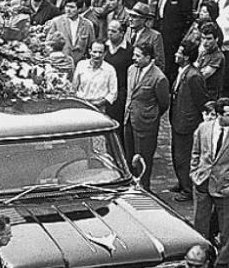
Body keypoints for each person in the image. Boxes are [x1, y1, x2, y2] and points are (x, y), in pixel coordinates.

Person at [190, 97, 229, 268]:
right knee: (200, 223)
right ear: (219, 115)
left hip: (226, 186)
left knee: (225, 226)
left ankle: (222, 260)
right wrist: (195, 173)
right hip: (203, 181)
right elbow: (196, 152)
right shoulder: (203, 129)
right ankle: (201, 258)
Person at [124, 41, 171, 190]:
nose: (134, 58)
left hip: (146, 124)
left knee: (143, 158)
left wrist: (150, 115)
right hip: (129, 119)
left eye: (138, 56)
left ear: (148, 57)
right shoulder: (131, 69)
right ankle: (130, 185)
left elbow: (163, 103)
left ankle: (144, 188)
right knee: (129, 155)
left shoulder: (159, 78)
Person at [170, 41, 209, 201]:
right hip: (178, 120)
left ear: (186, 57)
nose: (176, 55)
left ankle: (188, 189)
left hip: (187, 123)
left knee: (184, 157)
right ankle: (181, 181)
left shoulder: (194, 76)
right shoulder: (183, 72)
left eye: (179, 52)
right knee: (176, 154)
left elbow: (202, 101)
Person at [72, 41, 118, 113]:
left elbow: (113, 93)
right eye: (95, 52)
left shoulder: (110, 69)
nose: (97, 55)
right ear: (90, 51)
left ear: (105, 53)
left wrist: (100, 102)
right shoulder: (81, 65)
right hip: (81, 106)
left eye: (100, 52)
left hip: (99, 108)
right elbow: (74, 87)